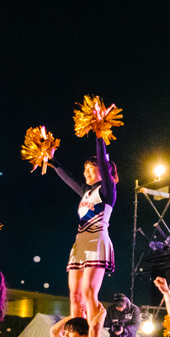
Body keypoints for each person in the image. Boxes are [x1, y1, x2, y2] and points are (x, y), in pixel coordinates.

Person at [48, 134, 118, 323]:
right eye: (84, 169)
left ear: (103, 171)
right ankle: (76, 336)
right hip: (80, 243)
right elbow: (68, 178)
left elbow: (103, 162)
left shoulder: (107, 190)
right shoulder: (85, 192)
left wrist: (99, 135)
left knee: (88, 292)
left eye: (90, 168)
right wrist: (51, 160)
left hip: (97, 241)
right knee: (75, 294)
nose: (85, 172)